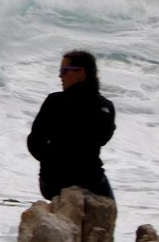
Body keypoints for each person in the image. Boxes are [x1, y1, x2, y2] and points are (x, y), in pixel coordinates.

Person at [27, 50, 116, 201]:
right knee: (109, 207)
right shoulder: (106, 106)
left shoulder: (54, 101)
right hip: (90, 181)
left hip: (52, 183)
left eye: (64, 71)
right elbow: (103, 139)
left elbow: (34, 142)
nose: (60, 76)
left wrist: (51, 163)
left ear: (80, 73)